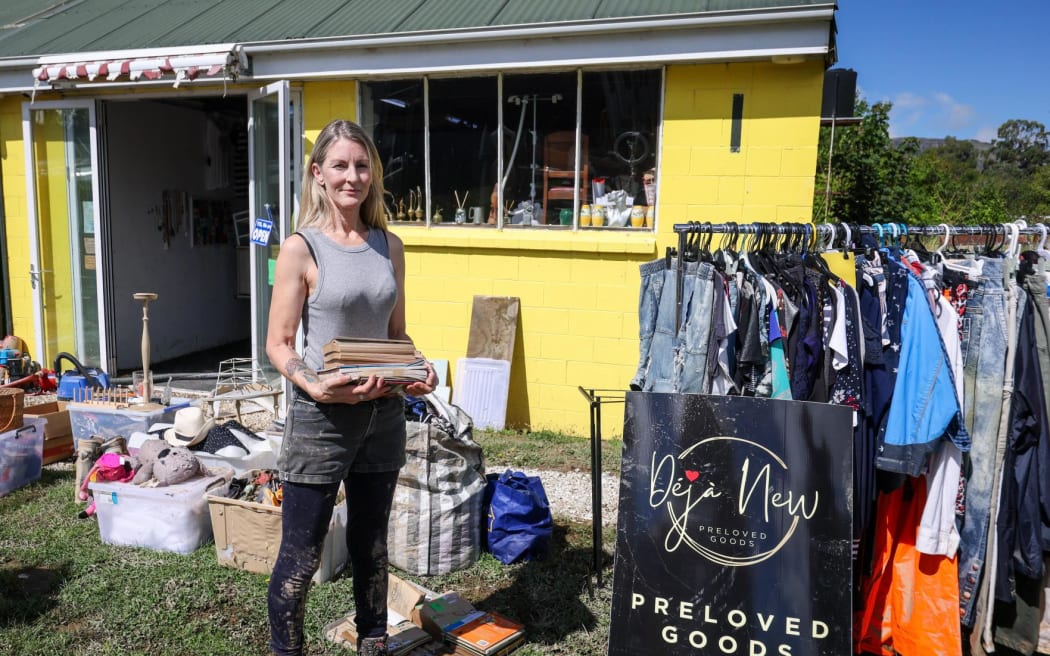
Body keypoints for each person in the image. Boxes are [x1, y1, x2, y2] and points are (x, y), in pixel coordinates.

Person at [265, 119, 436, 656]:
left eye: (362, 166)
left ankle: (373, 644)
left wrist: (417, 367)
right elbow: (279, 343)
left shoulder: (390, 245)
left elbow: (396, 334)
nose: (352, 177)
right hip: (322, 419)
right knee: (301, 555)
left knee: (372, 545)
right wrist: (314, 387)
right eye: (339, 165)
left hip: (383, 414)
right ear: (318, 173)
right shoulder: (300, 248)